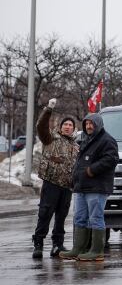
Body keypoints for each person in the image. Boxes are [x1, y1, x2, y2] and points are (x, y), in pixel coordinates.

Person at [60, 113, 119, 261]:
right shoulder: (85, 140)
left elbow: (111, 159)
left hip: (97, 187)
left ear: (98, 124)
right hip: (81, 186)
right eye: (86, 124)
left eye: (91, 124)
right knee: (80, 218)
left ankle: (97, 251)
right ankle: (78, 248)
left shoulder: (107, 140)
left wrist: (91, 170)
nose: (88, 126)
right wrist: (75, 178)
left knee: (95, 218)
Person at [32, 98, 79, 259]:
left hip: (67, 186)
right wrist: (48, 110)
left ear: (74, 129)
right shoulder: (50, 138)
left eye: (70, 125)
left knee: (61, 217)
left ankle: (57, 245)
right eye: (65, 124)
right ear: (60, 127)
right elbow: (40, 126)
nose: (67, 126)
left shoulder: (76, 146)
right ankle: (38, 244)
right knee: (45, 214)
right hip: (51, 183)